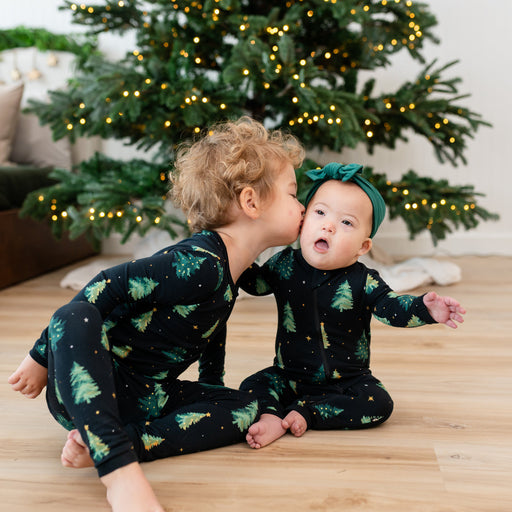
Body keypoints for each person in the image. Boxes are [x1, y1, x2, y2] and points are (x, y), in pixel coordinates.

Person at [8, 116, 306, 512]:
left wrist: (213, 390)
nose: (303, 207)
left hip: (144, 396)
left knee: (245, 407)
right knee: (74, 315)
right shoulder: (198, 262)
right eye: (294, 195)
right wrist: (41, 355)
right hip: (89, 384)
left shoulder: (232, 271)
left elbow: (210, 331)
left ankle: (120, 441)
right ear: (251, 202)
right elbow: (105, 285)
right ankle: (119, 471)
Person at [237, 162, 466, 449]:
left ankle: (308, 413)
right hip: (289, 376)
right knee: (252, 385)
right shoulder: (284, 264)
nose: (328, 225)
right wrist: (237, 251)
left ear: (363, 247)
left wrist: (424, 309)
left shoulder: (363, 280)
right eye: (320, 213)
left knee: (380, 404)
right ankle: (271, 417)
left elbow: (391, 307)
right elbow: (256, 285)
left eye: (346, 223)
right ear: (303, 221)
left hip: (346, 381)